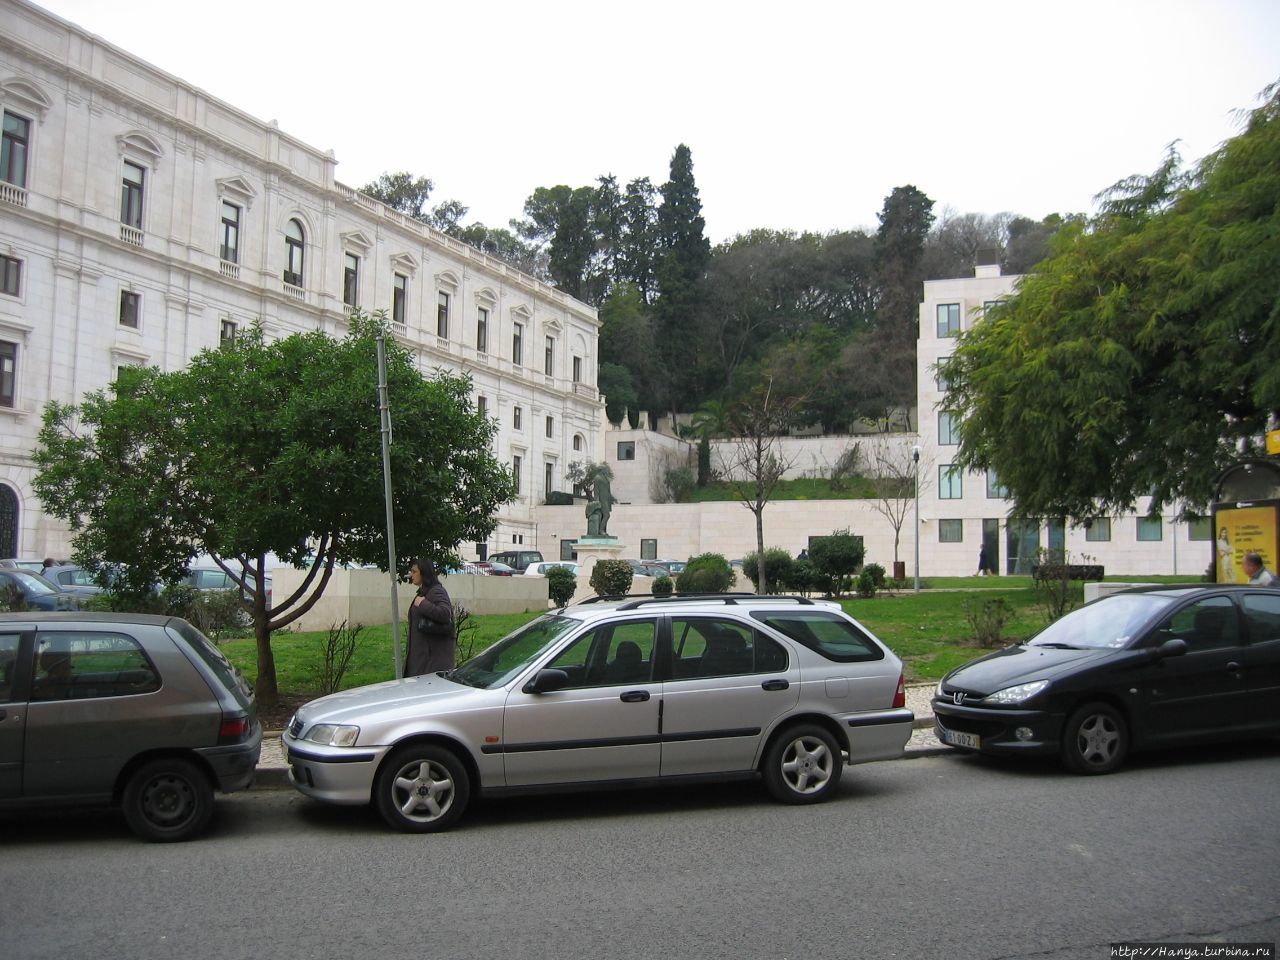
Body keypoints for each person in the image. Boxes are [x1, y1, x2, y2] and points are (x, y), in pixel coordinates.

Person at [404, 558, 456, 676]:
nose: (411, 575)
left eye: (414, 572)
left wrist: (422, 604)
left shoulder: (436, 591)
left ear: (424, 572)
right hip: (423, 659)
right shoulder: (425, 592)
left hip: (431, 662)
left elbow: (444, 613)